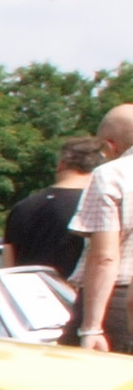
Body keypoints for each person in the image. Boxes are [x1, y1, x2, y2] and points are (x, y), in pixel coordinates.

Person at [66, 105, 133, 351]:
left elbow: (104, 256)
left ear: (109, 146)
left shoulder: (112, 174)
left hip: (116, 301)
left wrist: (92, 327)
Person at [4, 136, 103, 274]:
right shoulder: (96, 205)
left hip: (24, 291)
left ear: (61, 164)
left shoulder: (22, 207)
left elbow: (8, 265)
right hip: (72, 292)